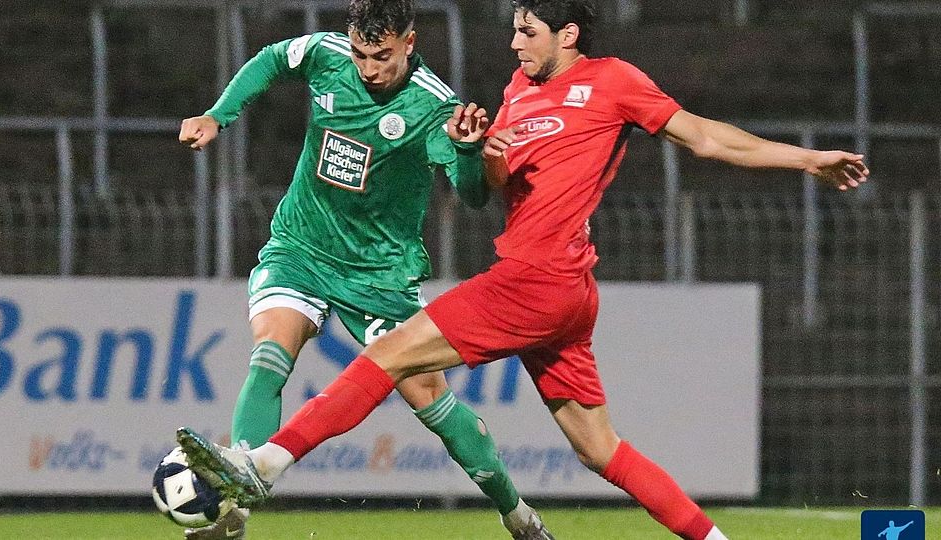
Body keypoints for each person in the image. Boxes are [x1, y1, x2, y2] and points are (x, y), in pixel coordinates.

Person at [176, 0, 869, 539]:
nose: (514, 42)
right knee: (600, 450)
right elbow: (494, 186)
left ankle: (263, 465)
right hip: (564, 294)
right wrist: (476, 149)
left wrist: (808, 159)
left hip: (534, 282)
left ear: (568, 34)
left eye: (528, 30)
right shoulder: (515, 92)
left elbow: (708, 138)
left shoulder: (613, 81)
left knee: (386, 356)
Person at [176, 1, 552, 539]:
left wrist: (469, 153)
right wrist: (219, 114)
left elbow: (471, 196)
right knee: (270, 352)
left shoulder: (432, 105)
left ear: (409, 42)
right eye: (360, 54)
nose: (368, 68)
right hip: (301, 247)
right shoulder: (328, 55)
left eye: (382, 56)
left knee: (432, 402)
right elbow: (272, 59)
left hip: (380, 276)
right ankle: (235, 502)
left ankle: (516, 512)